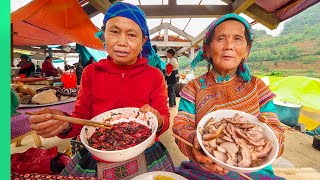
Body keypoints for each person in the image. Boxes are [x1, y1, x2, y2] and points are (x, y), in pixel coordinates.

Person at [28, 2, 173, 178]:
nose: (122, 42)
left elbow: (164, 120)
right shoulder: (91, 73)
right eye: (114, 31)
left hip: (146, 153)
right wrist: (65, 123)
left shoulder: (154, 76)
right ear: (103, 35)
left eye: (132, 35)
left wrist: (157, 119)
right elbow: (81, 120)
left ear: (143, 41)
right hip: (98, 156)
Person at [172, 13, 285, 180]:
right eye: (220, 39)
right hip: (203, 168)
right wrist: (194, 143)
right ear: (208, 49)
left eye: (237, 39)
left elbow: (278, 133)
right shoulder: (194, 87)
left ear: (247, 50)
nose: (229, 46)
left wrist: (264, 132)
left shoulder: (258, 87)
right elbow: (181, 126)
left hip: (252, 173)